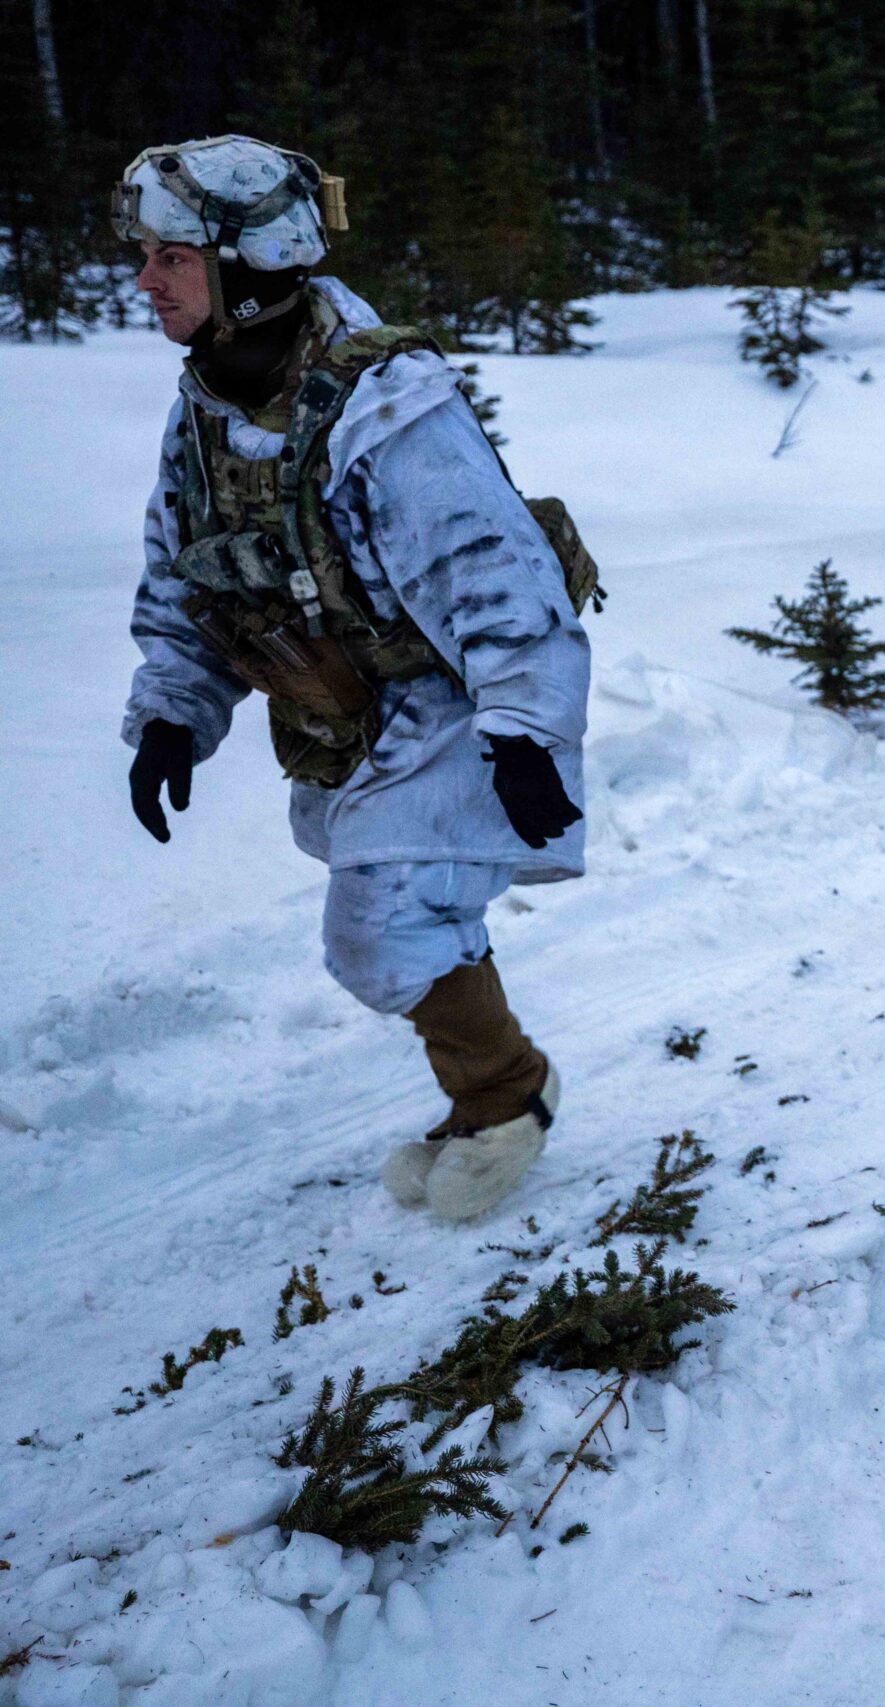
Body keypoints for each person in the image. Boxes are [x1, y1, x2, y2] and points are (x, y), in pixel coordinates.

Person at [114, 135, 591, 1220]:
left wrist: (523, 729)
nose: (145, 281)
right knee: (405, 916)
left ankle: (509, 1103)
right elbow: (184, 575)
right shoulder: (207, 410)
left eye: (170, 259)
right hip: (349, 709)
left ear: (244, 268)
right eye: (146, 255)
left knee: (376, 932)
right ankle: (495, 1093)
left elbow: (497, 575)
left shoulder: (385, 405)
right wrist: (170, 718)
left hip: (451, 704)